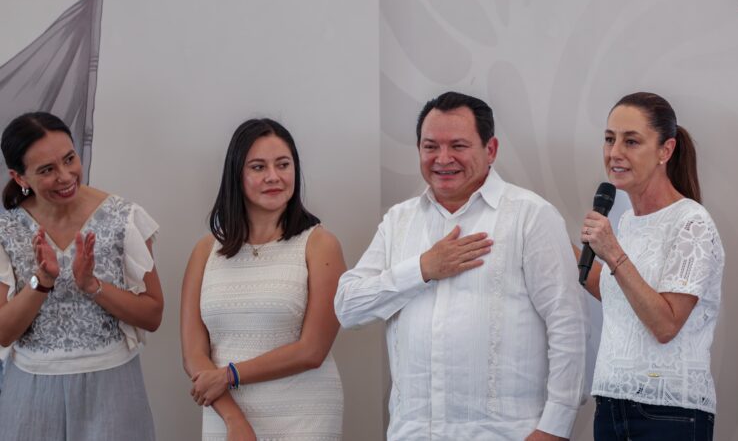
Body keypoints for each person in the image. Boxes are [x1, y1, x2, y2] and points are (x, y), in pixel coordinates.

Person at [335, 91, 586, 440]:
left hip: (507, 434)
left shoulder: (530, 215)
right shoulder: (399, 220)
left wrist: (554, 428)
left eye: (458, 146)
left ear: (490, 149)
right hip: (413, 433)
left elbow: (568, 324)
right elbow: (348, 308)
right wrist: (423, 269)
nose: (443, 158)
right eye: (430, 146)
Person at [0, 112, 164, 440]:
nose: (65, 176)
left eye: (69, 159)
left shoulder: (123, 217)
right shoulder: (7, 229)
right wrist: (41, 282)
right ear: (19, 177)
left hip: (112, 388)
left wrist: (93, 286)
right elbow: (4, 333)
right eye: (47, 170)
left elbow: (152, 315)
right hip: (31, 393)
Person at [180, 118, 345, 440]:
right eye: (258, 167)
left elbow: (312, 351)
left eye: (283, 165)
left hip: (303, 417)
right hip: (225, 415)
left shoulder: (320, 244)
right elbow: (193, 355)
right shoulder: (204, 251)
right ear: (236, 175)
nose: (273, 177)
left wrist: (230, 375)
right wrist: (233, 419)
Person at [577, 92, 724, 440]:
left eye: (631, 141)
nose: (615, 153)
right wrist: (557, 245)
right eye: (609, 139)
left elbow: (665, 324)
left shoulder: (692, 223)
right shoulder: (626, 221)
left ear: (665, 150)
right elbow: (620, 296)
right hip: (611, 403)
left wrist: (613, 253)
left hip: (667, 413)